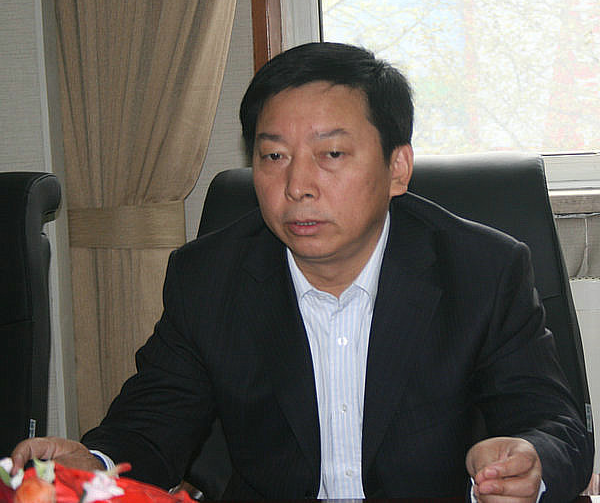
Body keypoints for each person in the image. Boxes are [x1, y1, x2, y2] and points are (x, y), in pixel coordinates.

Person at [11, 42, 593, 502]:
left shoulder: (482, 269)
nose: (297, 185)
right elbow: (152, 424)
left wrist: (530, 461)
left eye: (331, 154)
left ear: (397, 167)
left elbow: (553, 423)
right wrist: (92, 464)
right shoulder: (208, 277)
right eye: (274, 156)